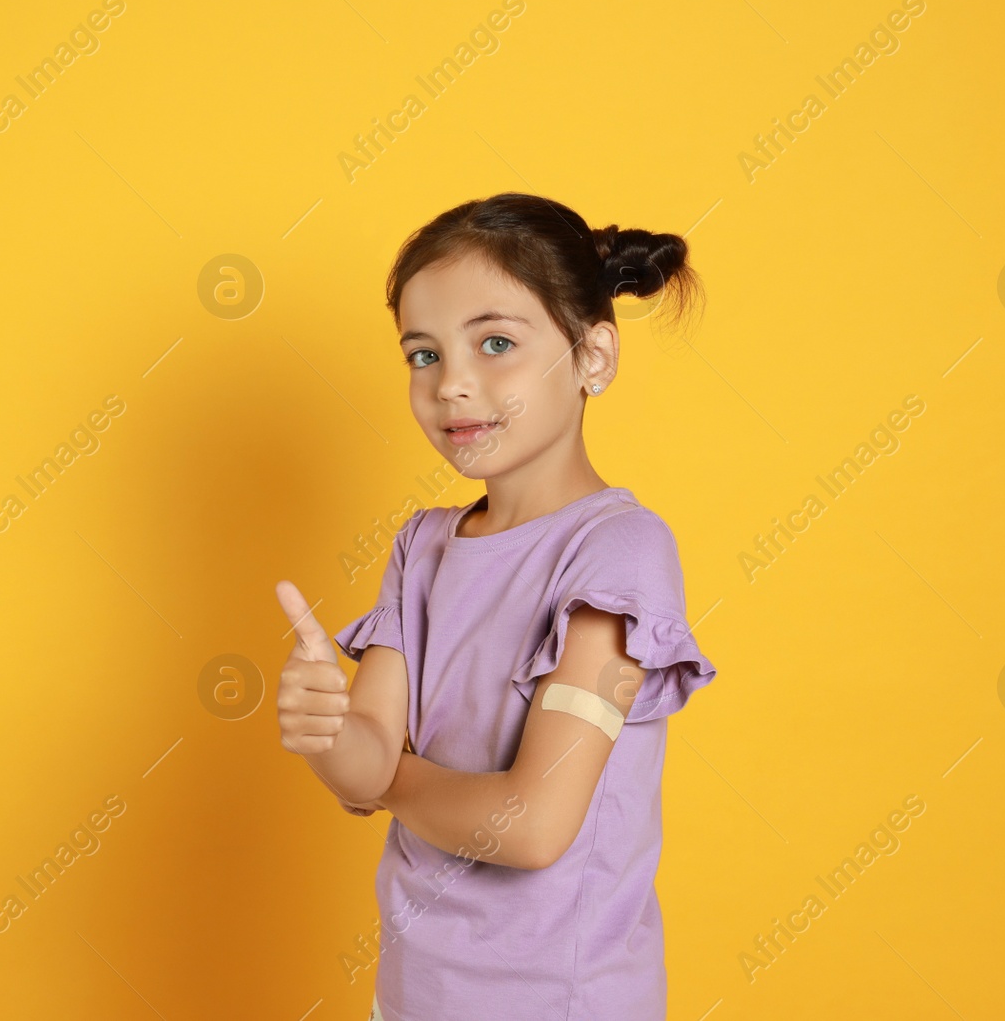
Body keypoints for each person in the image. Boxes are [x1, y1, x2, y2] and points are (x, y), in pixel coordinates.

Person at [274, 191, 719, 1019]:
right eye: (423, 355)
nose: (453, 385)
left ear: (593, 357)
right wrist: (330, 732)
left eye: (497, 343)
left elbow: (532, 823)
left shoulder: (618, 553)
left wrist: (383, 774)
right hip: (414, 999)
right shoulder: (424, 547)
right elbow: (361, 766)